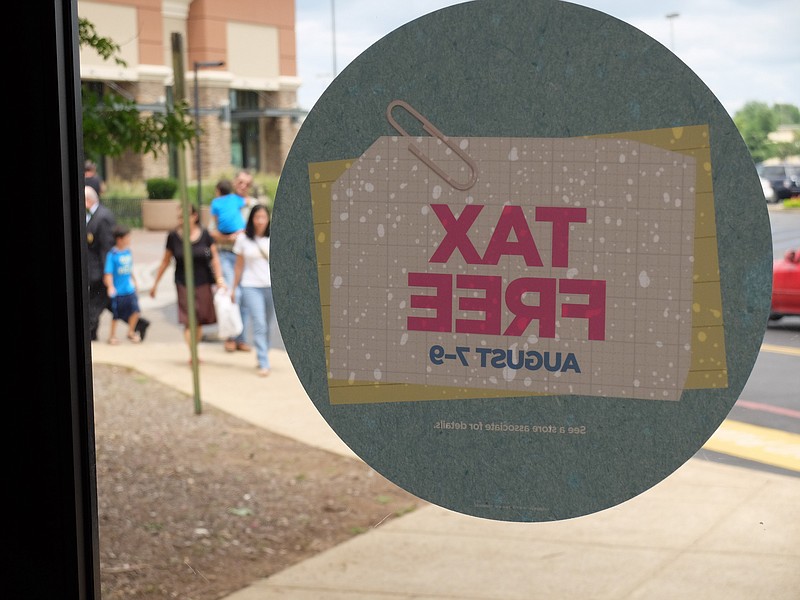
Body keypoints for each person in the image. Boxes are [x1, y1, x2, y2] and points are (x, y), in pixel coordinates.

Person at [150, 204, 226, 359]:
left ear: (194, 217)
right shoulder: (173, 237)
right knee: (188, 320)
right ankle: (193, 354)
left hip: (203, 281)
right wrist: (155, 284)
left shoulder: (205, 235)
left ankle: (194, 350)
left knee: (198, 320)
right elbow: (165, 261)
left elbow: (215, 258)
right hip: (182, 282)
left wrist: (219, 279)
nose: (182, 219)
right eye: (179, 216)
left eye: (185, 216)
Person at [231, 204, 275, 377]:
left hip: (271, 286)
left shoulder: (274, 237)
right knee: (259, 323)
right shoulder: (243, 239)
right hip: (251, 285)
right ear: (252, 219)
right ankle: (264, 361)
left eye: (264, 217)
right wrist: (233, 288)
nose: (261, 221)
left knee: (268, 324)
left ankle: (263, 352)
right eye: (257, 217)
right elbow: (238, 266)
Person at [209, 178, 249, 352]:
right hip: (226, 252)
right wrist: (232, 236)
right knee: (234, 293)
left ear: (218, 190)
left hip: (241, 253)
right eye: (241, 183)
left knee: (242, 296)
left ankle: (240, 338)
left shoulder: (216, 203)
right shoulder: (236, 200)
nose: (243, 186)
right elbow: (212, 231)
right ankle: (232, 337)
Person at [85, 184, 116, 341]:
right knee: (107, 303)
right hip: (94, 268)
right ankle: (138, 323)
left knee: (93, 304)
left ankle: (89, 333)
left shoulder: (102, 217)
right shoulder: (94, 215)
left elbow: (106, 247)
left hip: (99, 269)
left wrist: (107, 272)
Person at [103, 225, 142, 344]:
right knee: (116, 314)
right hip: (118, 291)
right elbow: (108, 273)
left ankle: (131, 331)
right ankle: (112, 335)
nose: (129, 239)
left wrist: (135, 281)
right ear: (119, 239)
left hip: (128, 289)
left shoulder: (127, 252)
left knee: (136, 311)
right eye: (127, 237)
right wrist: (110, 286)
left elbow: (129, 269)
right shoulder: (112, 255)